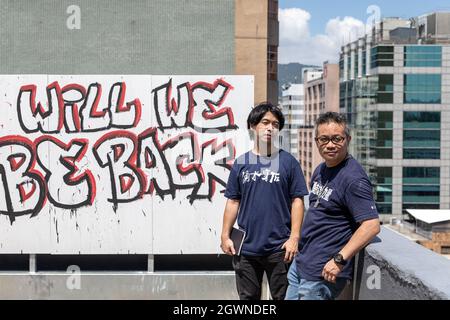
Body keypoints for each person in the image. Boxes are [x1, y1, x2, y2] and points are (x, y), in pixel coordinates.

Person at [285, 112, 380, 300]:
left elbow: (371, 225)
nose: (330, 145)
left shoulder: (353, 179)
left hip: (322, 273)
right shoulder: (321, 169)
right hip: (302, 263)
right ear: (316, 141)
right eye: (324, 139)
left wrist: (339, 259)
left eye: (337, 139)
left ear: (348, 139)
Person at [220, 102, 308, 300]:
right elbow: (233, 201)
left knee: (283, 297)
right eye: (265, 122)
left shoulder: (288, 162)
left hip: (280, 248)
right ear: (253, 126)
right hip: (246, 247)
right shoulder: (242, 163)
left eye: (275, 125)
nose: (270, 128)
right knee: (248, 298)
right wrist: (225, 235)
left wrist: (294, 238)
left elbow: (297, 201)